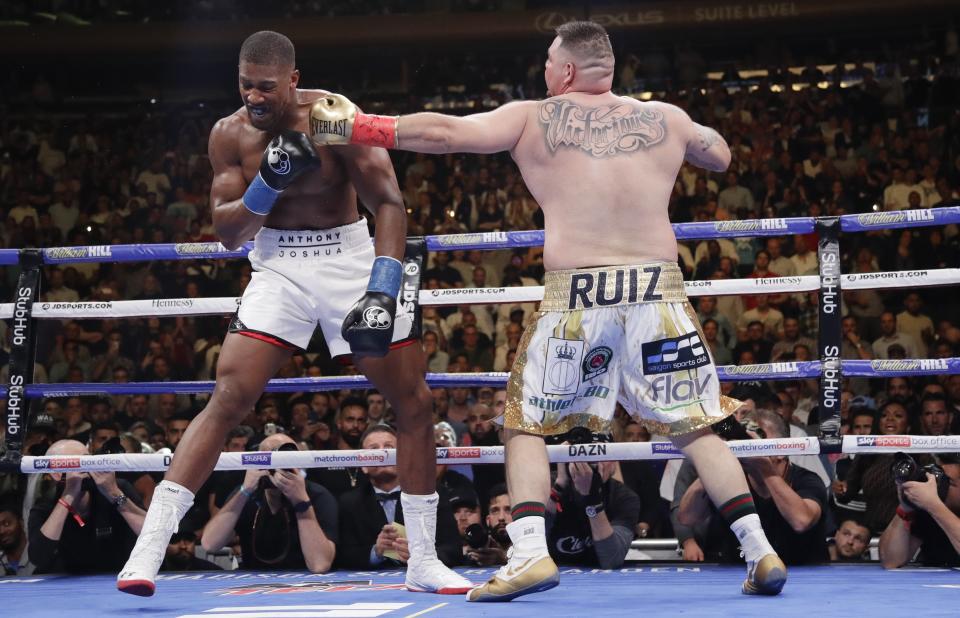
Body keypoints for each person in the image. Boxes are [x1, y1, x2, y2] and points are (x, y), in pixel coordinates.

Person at [310, 20, 785, 600]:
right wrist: (687, 132)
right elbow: (720, 155)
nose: (544, 72)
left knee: (524, 424)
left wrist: (359, 125)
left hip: (579, 295)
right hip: (658, 292)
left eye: (547, 63)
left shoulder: (533, 116)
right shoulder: (665, 116)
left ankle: (530, 553)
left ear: (564, 71)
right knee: (696, 427)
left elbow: (445, 134)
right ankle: (760, 551)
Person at [118, 31, 471, 596]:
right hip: (277, 263)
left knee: (414, 401)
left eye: (265, 87)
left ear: (292, 81)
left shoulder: (334, 117)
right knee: (229, 397)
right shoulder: (229, 134)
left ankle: (423, 559)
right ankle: (148, 551)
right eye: (245, 85)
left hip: (350, 258)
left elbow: (388, 203)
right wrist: (268, 181)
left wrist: (382, 288)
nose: (254, 97)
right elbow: (230, 234)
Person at [200, 433, 337, 573]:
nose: (279, 467)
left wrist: (300, 502)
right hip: (253, 582)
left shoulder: (317, 496)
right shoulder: (247, 494)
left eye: (287, 460)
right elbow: (210, 544)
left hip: (303, 584)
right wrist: (244, 491)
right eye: (271, 459)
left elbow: (319, 565)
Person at [337, 426, 462, 569]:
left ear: (403, 458)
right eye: (374, 449)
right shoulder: (350, 502)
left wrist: (420, 556)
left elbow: (453, 549)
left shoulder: (431, 494)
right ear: (363, 465)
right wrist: (376, 552)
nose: (382, 454)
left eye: (389, 448)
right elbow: (344, 555)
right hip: (373, 585)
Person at [879, 454, 960, 567]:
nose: (939, 485)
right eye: (938, 476)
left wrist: (934, 505)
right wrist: (906, 507)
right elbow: (890, 561)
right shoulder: (929, 506)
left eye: (948, 481)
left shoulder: (933, 505)